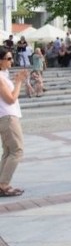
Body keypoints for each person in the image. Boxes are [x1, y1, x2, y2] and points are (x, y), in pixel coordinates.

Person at [0, 48, 28, 197]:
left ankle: (2, 183)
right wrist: (18, 82)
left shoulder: (4, 76)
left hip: (6, 116)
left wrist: (18, 80)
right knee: (17, 151)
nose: (12, 61)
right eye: (9, 58)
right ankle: (3, 184)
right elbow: (10, 99)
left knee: (8, 152)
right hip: (8, 117)